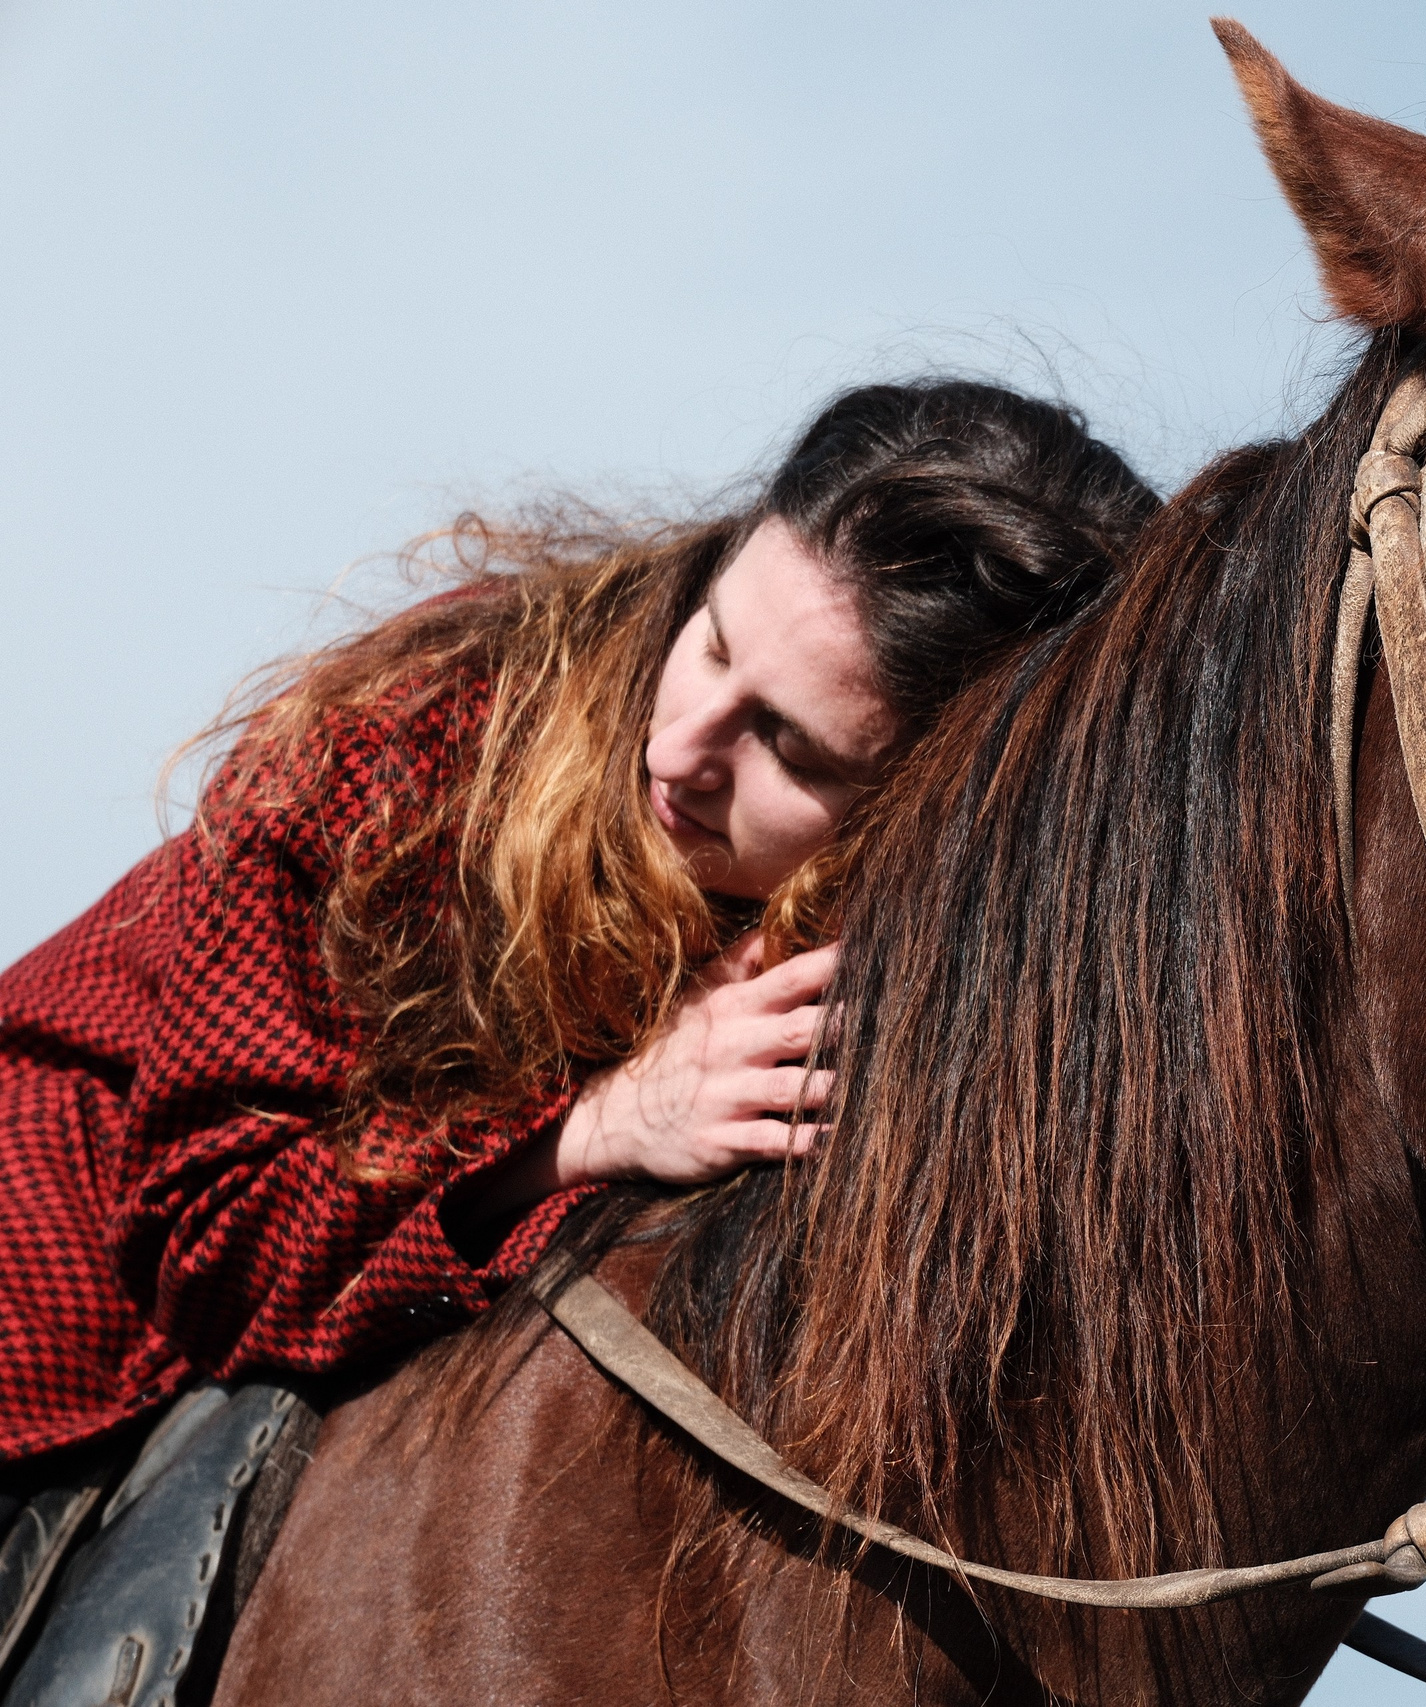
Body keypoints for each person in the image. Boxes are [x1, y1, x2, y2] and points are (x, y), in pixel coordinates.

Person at [0, 381, 1158, 1490]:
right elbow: (215, 1254)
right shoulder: (400, 748)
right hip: (50, 1307)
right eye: (711, 644)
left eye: (787, 747)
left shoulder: (959, 933)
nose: (681, 751)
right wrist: (595, 1127)